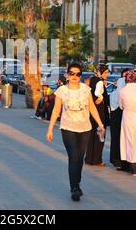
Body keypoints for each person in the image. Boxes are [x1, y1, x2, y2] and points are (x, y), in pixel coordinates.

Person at [46, 63, 106, 202]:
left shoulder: (86, 89)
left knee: (79, 158)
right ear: (67, 75)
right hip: (68, 128)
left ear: (80, 75)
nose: (74, 76)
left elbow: (92, 108)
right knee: (73, 157)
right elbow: (56, 111)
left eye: (78, 74)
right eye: (72, 73)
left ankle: (76, 183)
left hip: (85, 128)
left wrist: (100, 124)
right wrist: (50, 129)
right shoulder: (62, 91)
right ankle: (74, 188)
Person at [85, 64, 110, 166]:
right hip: (99, 112)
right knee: (100, 135)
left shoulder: (92, 80)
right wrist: (100, 98)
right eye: (105, 73)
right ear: (100, 72)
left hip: (92, 112)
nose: (107, 75)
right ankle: (97, 159)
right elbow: (97, 93)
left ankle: (89, 158)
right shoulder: (99, 82)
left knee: (92, 136)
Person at [108, 69, 128, 170]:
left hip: (114, 120)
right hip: (121, 120)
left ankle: (114, 159)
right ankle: (121, 160)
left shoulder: (113, 94)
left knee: (114, 140)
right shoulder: (123, 93)